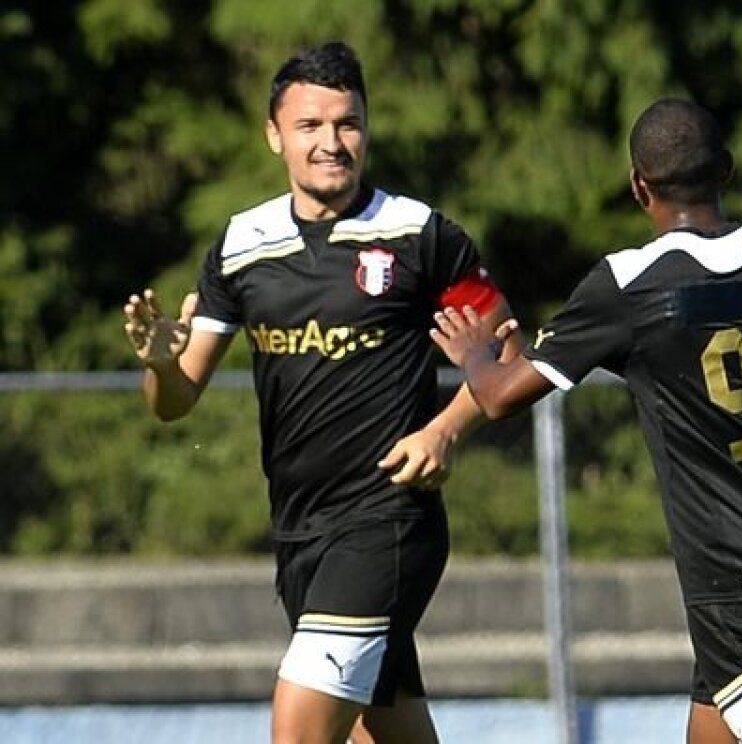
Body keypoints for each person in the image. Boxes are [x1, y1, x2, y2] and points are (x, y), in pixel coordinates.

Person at [430, 98, 742, 744]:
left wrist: (474, 355)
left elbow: (500, 396)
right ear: (726, 171)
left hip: (739, 577)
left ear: (639, 186)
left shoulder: (629, 285)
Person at [122, 41, 518, 744]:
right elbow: (176, 400)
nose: (332, 143)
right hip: (299, 531)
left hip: (387, 521)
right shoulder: (243, 244)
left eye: (348, 124)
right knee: (385, 732)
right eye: (311, 126)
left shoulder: (421, 236)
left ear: (367, 127)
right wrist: (159, 364)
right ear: (275, 135)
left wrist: (445, 429)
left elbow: (507, 352)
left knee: (299, 728)